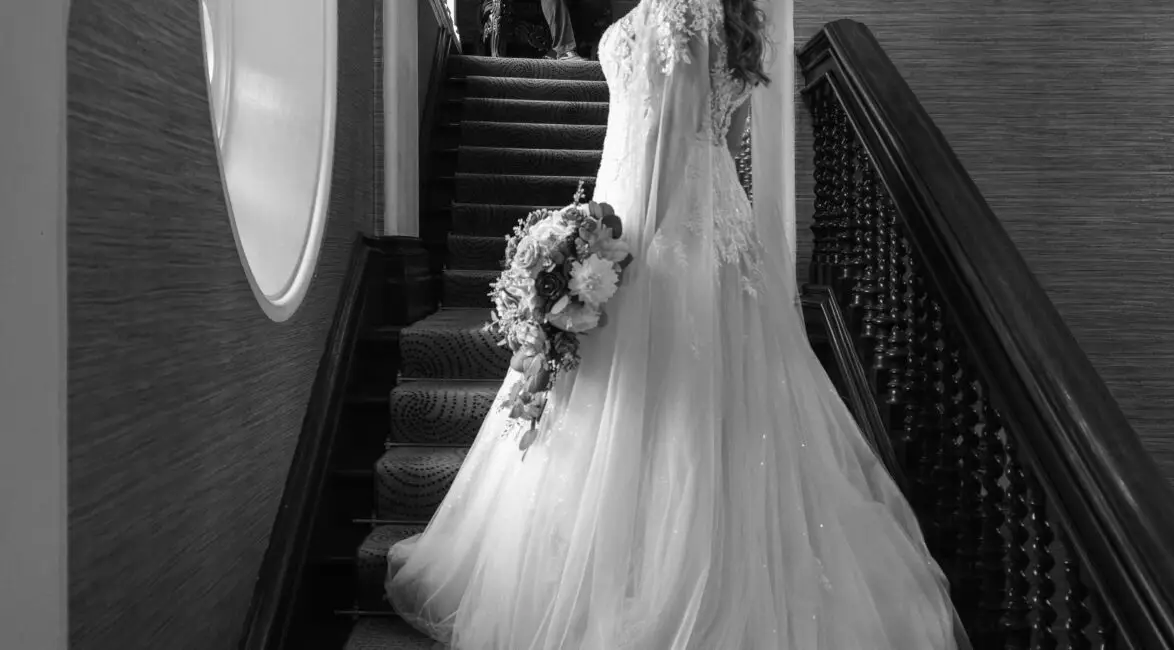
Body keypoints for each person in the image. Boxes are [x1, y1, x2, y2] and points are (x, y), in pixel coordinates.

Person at [385, 0, 969, 647]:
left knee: (657, 413)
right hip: (717, 237)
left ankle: (655, 583)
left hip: (660, 237)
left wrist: (604, 248)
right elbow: (724, 137)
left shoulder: (683, 10)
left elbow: (663, 142)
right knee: (714, 417)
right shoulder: (736, 21)